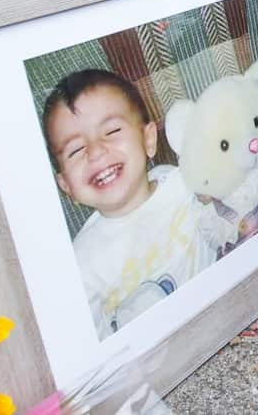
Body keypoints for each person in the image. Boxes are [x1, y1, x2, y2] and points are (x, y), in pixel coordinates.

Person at [42, 69, 217, 337]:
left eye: (111, 131)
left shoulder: (184, 181)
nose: (96, 151)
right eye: (76, 150)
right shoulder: (80, 267)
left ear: (148, 140)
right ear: (66, 186)